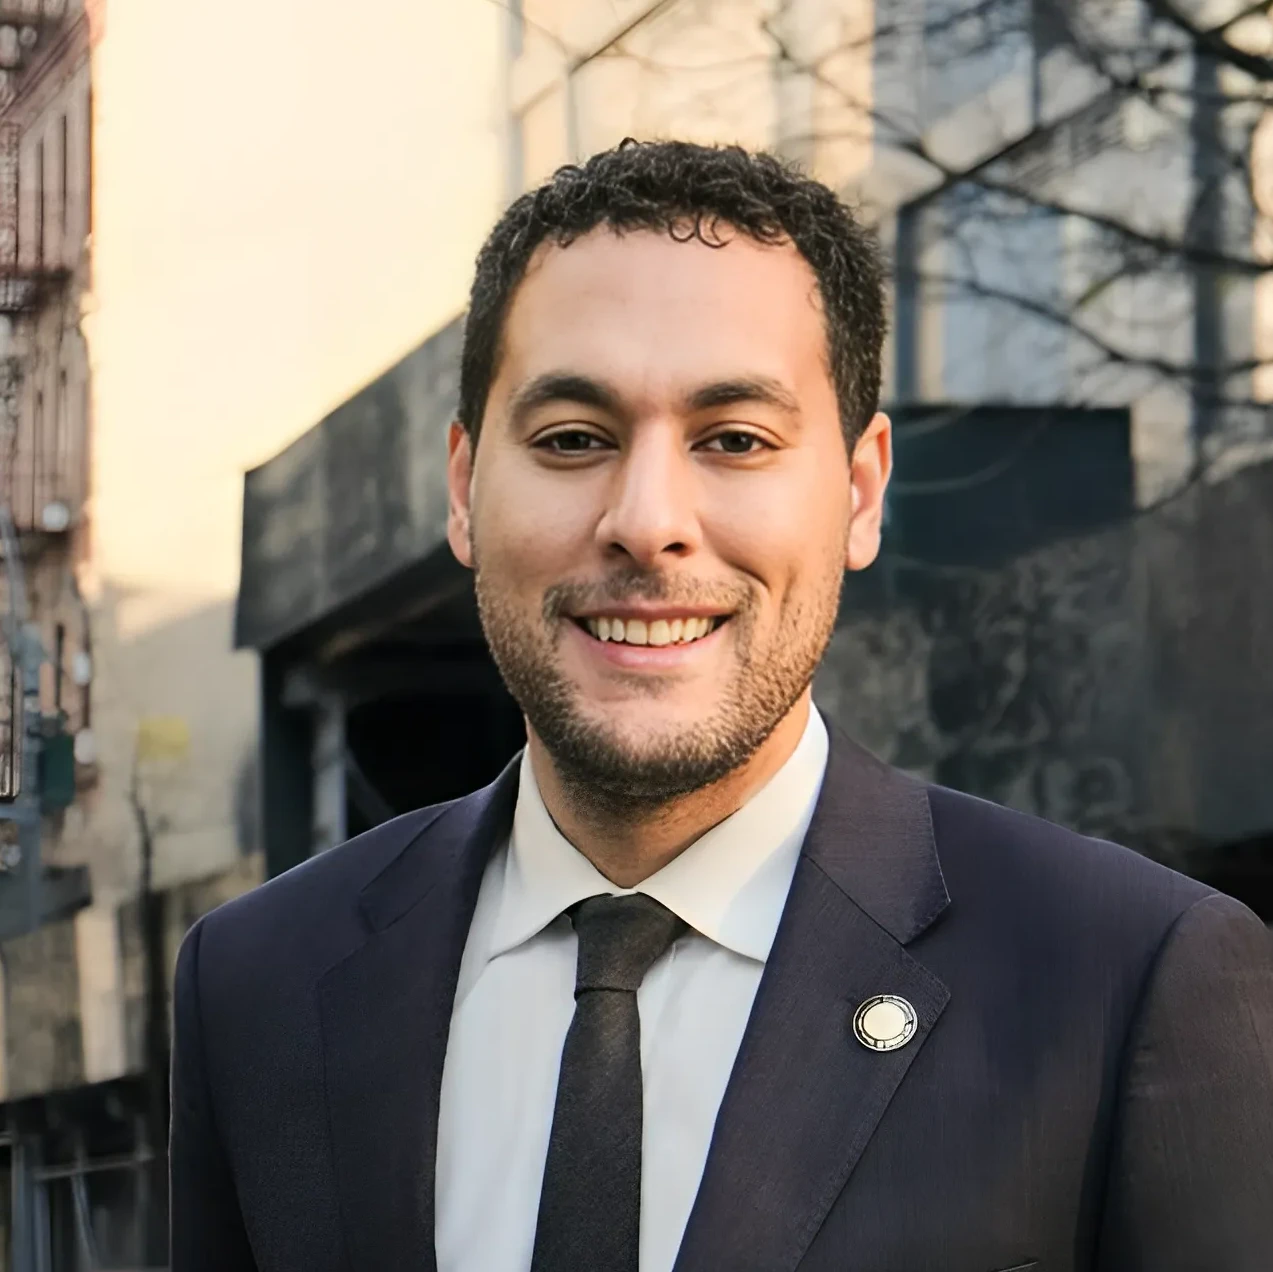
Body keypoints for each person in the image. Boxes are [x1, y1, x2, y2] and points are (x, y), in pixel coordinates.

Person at [169, 140, 1273, 1272]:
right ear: (463, 489)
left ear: (860, 491)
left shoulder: (1125, 982)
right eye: (572, 440)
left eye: (735, 440)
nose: (647, 521)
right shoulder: (257, 985)